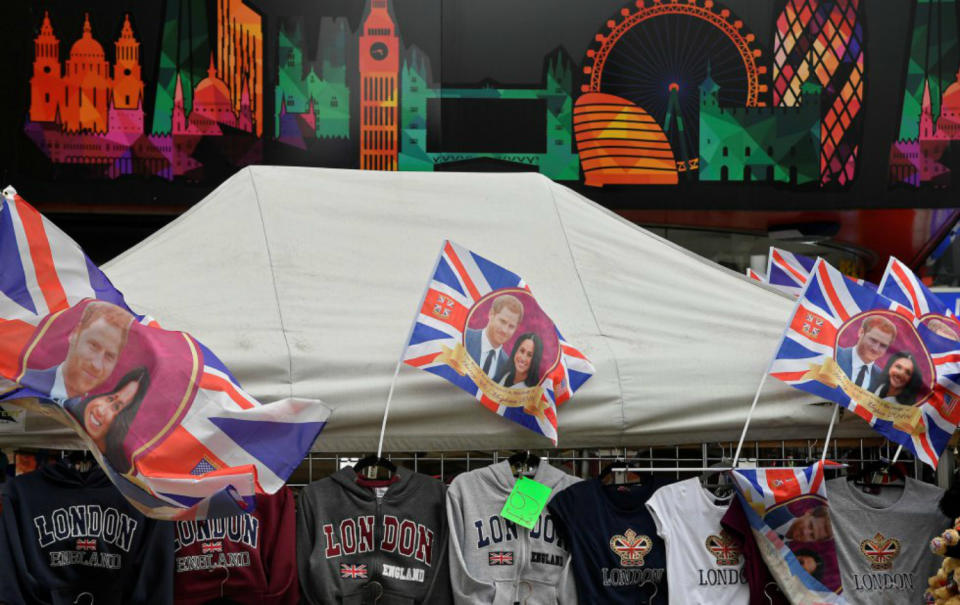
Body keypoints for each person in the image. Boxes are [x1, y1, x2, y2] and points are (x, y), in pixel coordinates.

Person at [17, 301, 134, 403]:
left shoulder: (104, 414)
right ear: (75, 334)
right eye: (93, 346)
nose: (97, 365)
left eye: (109, 356)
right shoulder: (20, 382)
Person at [65, 366, 150, 474]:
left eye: (116, 407)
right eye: (110, 398)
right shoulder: (65, 415)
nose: (101, 410)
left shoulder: (122, 475)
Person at [464, 294, 523, 381]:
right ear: (491, 314)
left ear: (516, 328)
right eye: (502, 321)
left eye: (511, 326)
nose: (504, 330)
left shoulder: (508, 368)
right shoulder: (464, 336)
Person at [836, 315, 897, 391]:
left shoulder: (883, 381)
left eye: (883, 345)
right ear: (861, 332)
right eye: (873, 340)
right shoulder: (833, 353)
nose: (875, 348)